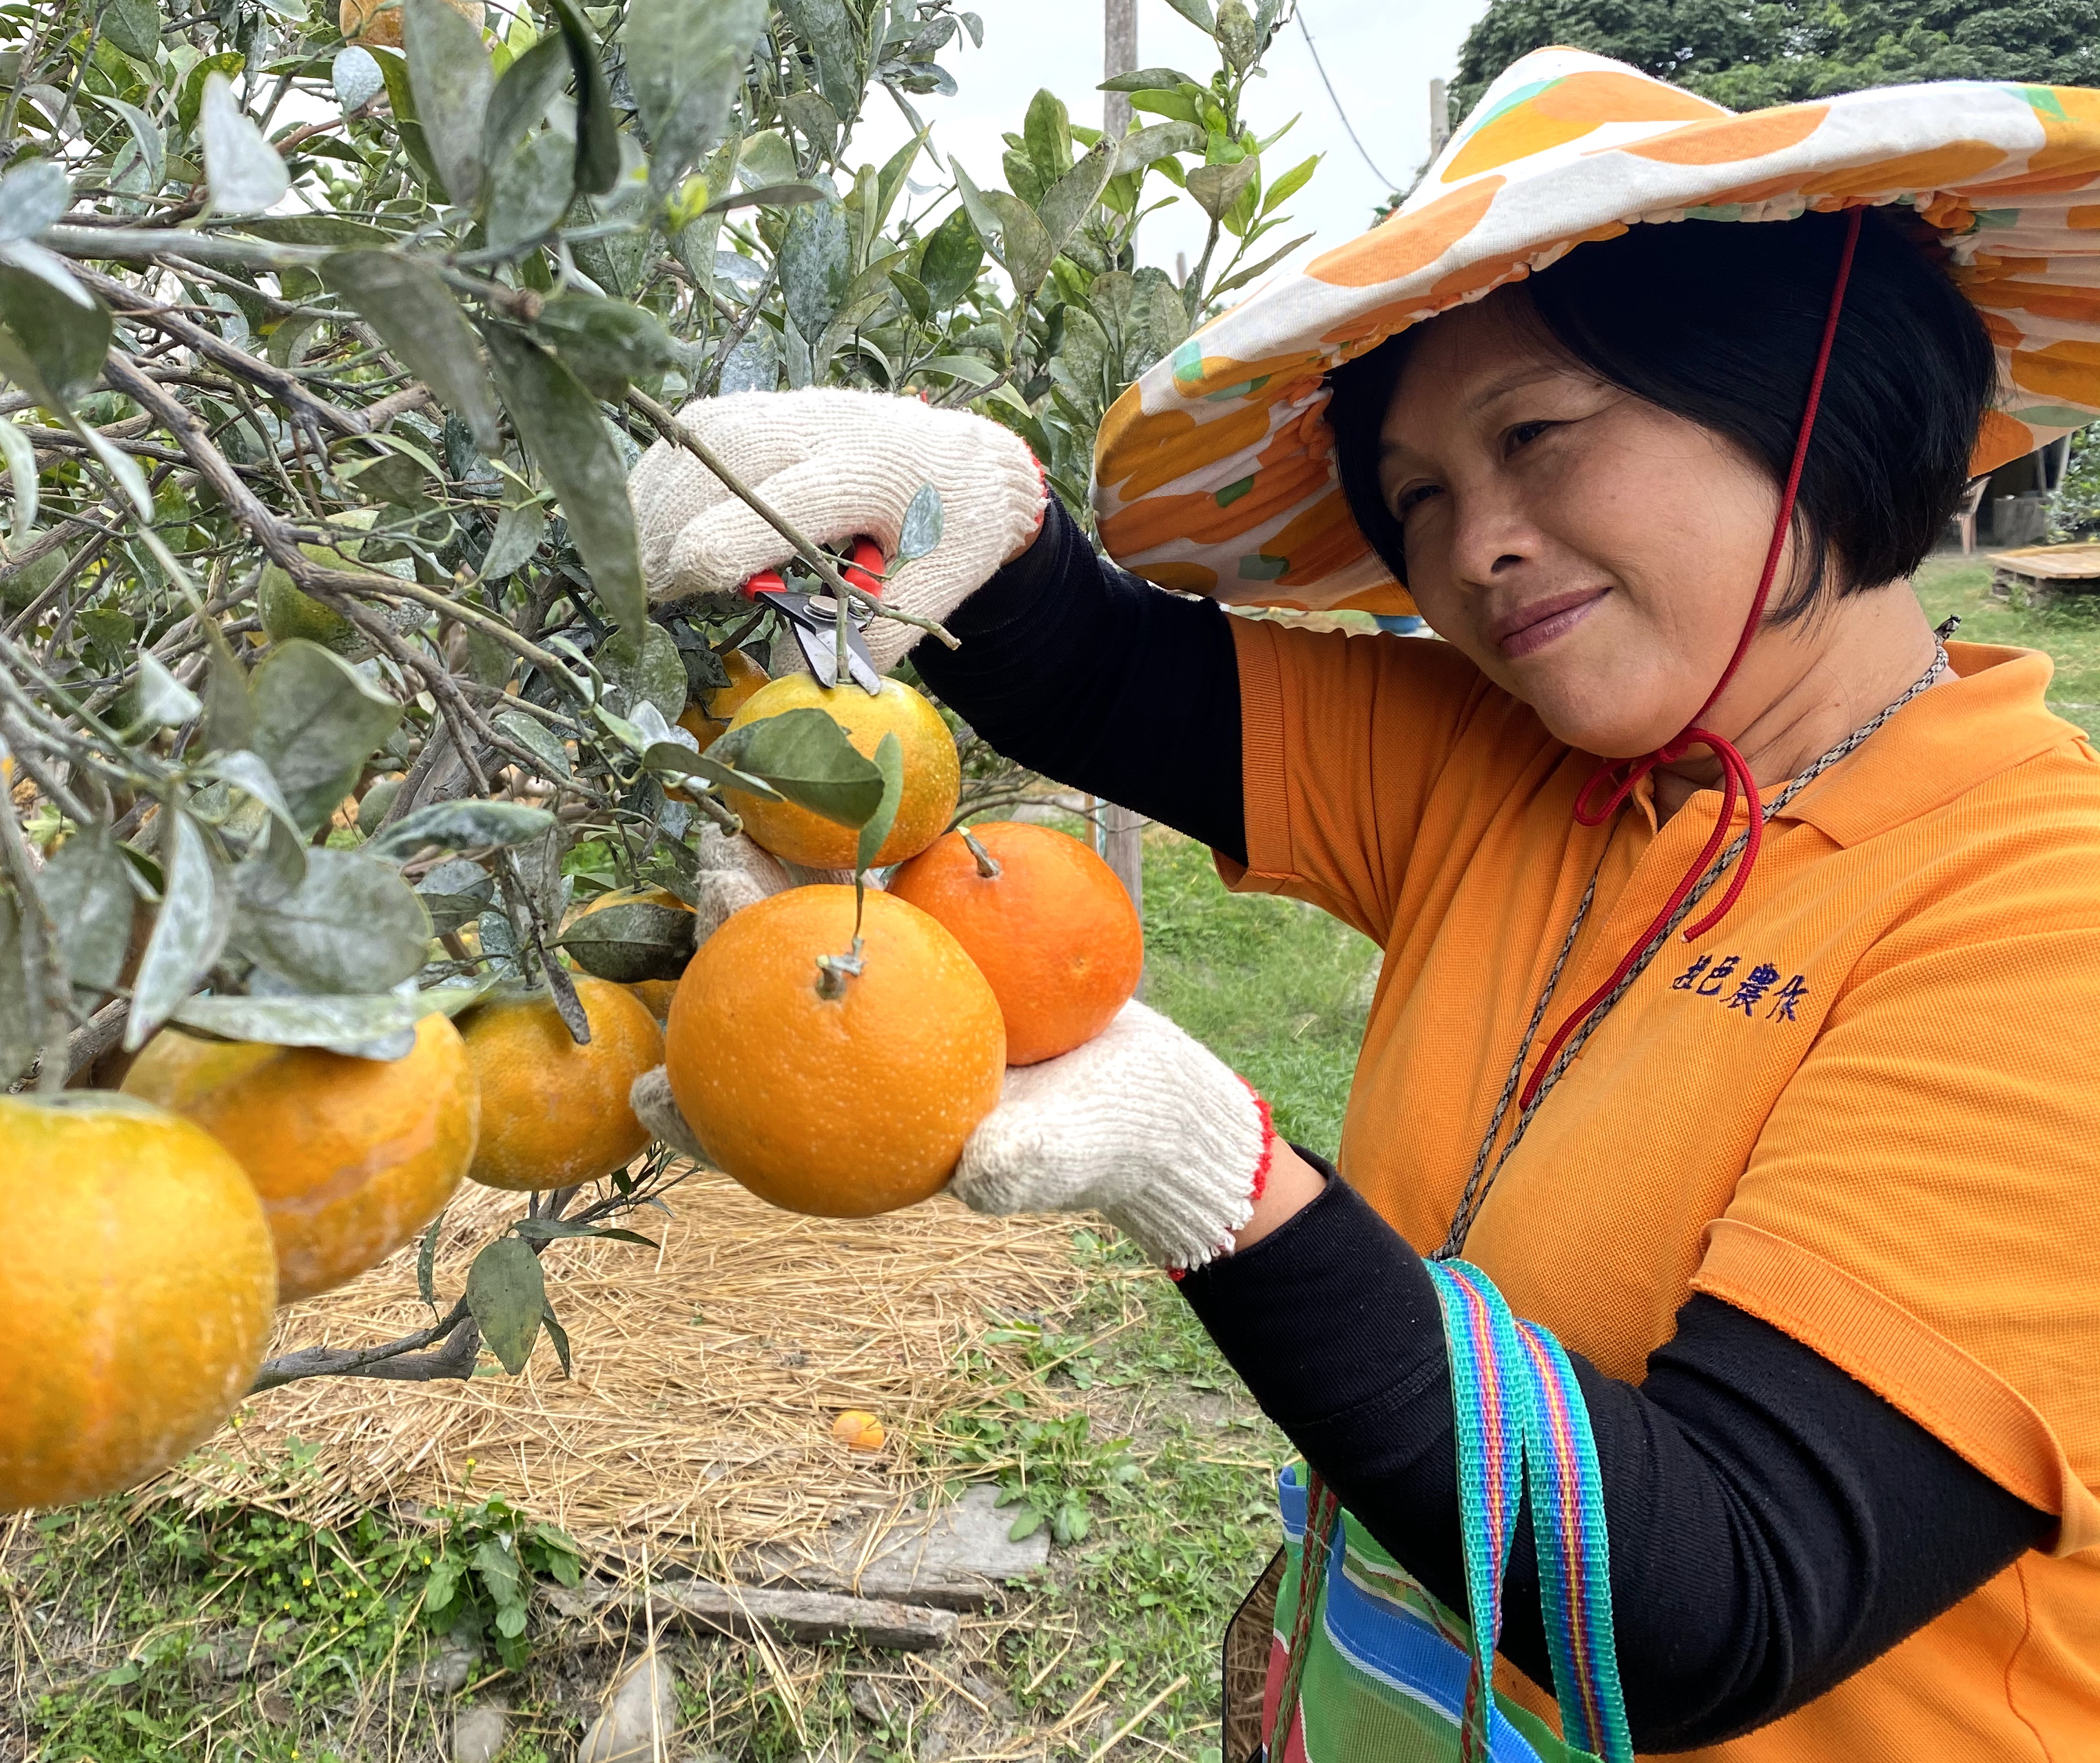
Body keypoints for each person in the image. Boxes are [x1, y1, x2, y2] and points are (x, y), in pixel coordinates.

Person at [626, 49, 2100, 1762]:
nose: (1473, 546)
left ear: (1804, 383)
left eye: (1535, 435)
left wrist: (1210, 1176)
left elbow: (1711, 1596)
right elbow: (1105, 669)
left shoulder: (2037, 916)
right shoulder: (1523, 768)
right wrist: (940, 488)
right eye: (1413, 499)